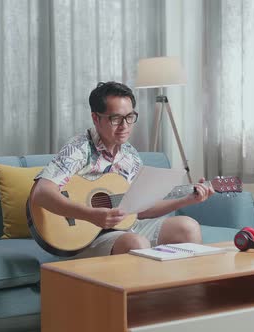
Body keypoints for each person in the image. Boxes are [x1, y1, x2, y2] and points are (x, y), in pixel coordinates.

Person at [29, 81, 214, 258]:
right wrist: (90, 214)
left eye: (130, 117)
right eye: (116, 119)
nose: (124, 126)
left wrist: (186, 200)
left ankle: (191, 291)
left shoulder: (130, 154)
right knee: (137, 244)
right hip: (85, 237)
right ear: (96, 118)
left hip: (123, 229)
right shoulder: (78, 148)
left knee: (188, 227)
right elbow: (41, 193)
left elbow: (140, 209)